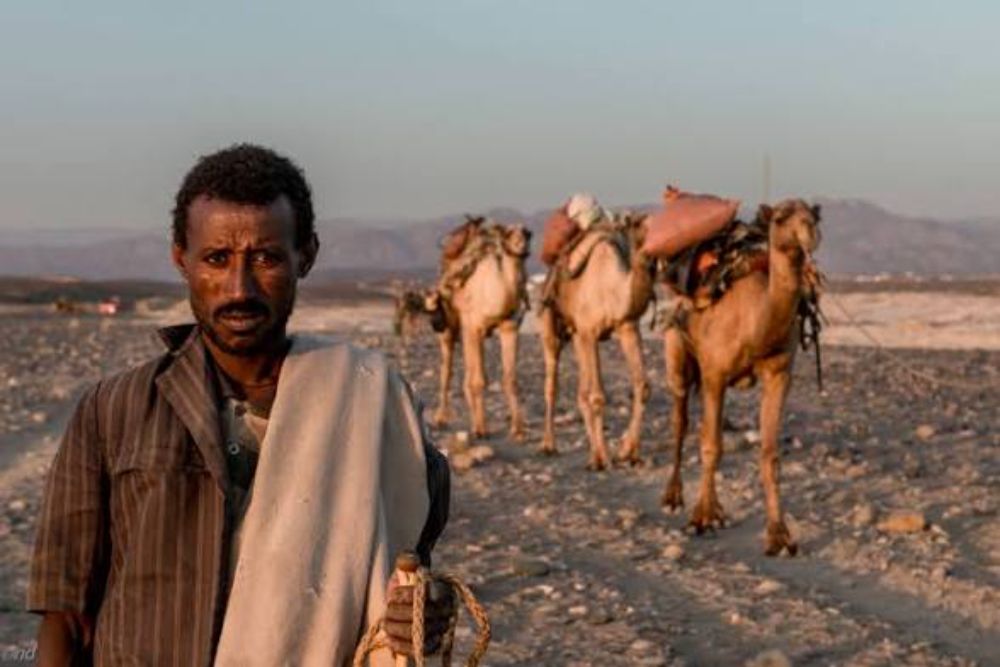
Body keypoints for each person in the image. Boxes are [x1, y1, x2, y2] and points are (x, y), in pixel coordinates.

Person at [28, 144, 453, 666]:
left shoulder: (370, 404)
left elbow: (406, 574)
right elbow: (65, 614)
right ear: (181, 258)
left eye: (267, 258)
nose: (239, 288)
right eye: (216, 258)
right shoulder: (110, 410)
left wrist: (421, 616)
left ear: (307, 255)